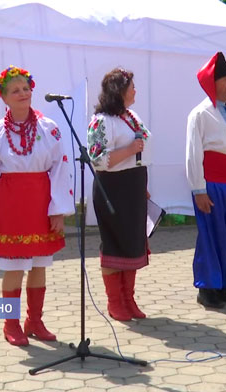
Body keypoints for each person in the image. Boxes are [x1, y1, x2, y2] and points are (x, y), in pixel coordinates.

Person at [0, 65, 74, 346]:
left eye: (26, 88)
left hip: (40, 205)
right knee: (14, 266)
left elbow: (60, 169)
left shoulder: (48, 128)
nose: (23, 93)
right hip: (10, 207)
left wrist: (59, 210)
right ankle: (10, 323)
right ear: (3, 97)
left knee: (39, 264)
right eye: (15, 90)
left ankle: (35, 320)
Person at [87, 68, 150, 321]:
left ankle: (128, 299)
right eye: (131, 86)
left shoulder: (130, 116)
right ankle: (115, 302)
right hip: (112, 188)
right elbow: (98, 159)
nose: (135, 90)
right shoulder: (101, 121)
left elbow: (142, 144)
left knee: (133, 243)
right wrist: (130, 149)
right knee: (115, 244)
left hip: (132, 184)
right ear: (119, 90)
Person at [186, 52, 226, 308]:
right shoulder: (200, 114)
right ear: (213, 81)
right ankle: (206, 288)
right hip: (210, 184)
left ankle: (224, 285)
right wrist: (199, 189)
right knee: (211, 236)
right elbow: (193, 154)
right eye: (225, 79)